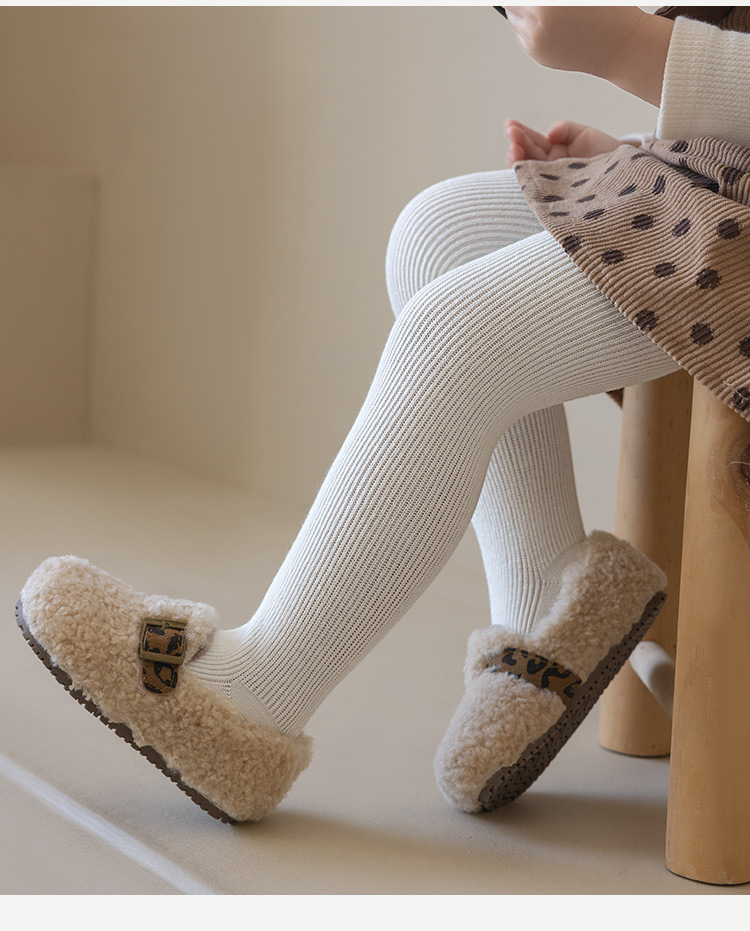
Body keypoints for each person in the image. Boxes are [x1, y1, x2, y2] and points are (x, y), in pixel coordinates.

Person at [16, 7, 750, 823]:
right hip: (722, 180)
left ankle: (251, 696)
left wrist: (625, 46)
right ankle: (548, 594)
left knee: (459, 333)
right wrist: (651, 148)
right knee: (437, 233)